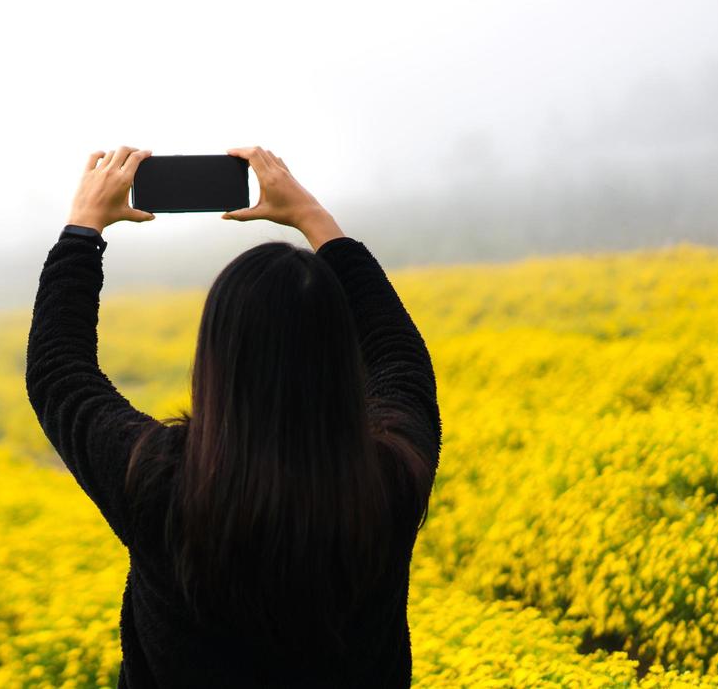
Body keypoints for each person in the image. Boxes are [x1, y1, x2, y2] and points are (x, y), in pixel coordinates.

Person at [26, 145, 441, 688]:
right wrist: (314, 220)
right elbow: (399, 357)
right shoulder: (391, 478)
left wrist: (84, 228)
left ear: (215, 359)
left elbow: (60, 373)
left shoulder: (160, 484)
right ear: (342, 359)